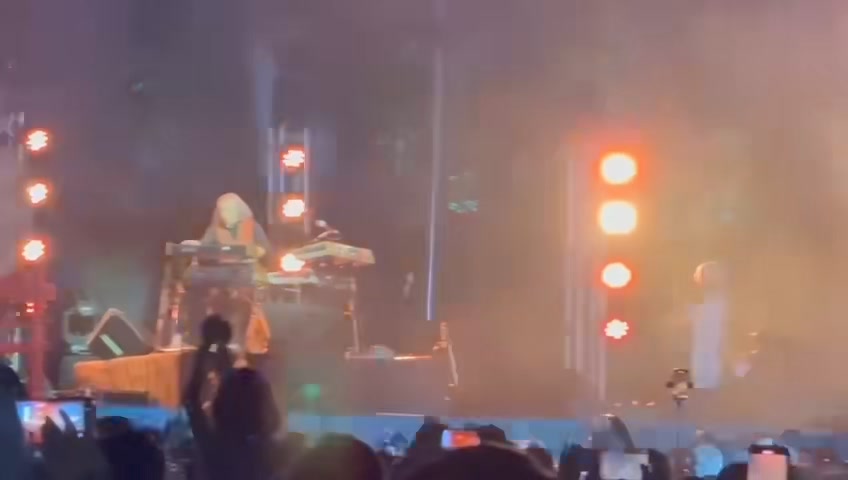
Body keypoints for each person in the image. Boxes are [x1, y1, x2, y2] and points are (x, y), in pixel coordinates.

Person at [184, 193, 272, 351]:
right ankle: (195, 337)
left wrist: (245, 252)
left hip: (243, 271)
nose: (225, 214)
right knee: (193, 279)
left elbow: (264, 251)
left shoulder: (252, 227)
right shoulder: (214, 230)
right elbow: (203, 250)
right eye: (222, 210)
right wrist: (200, 249)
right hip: (218, 272)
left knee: (243, 281)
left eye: (229, 210)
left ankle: (238, 339)